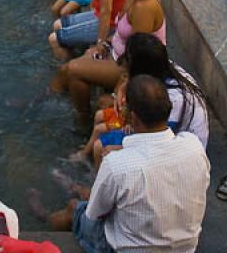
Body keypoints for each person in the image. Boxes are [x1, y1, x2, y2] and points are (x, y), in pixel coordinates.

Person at [54, 75, 209, 253]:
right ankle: (78, 189)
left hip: (124, 248)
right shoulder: (194, 146)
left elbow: (94, 214)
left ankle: (43, 217)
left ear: (132, 118)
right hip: (185, 248)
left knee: (75, 208)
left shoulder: (116, 164)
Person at [53, 0, 165, 118]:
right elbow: (122, 33)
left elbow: (139, 55)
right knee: (65, 70)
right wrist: (104, 44)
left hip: (128, 66)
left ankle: (82, 119)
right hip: (115, 53)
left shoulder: (144, 6)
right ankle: (51, 98)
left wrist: (121, 88)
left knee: (73, 69)